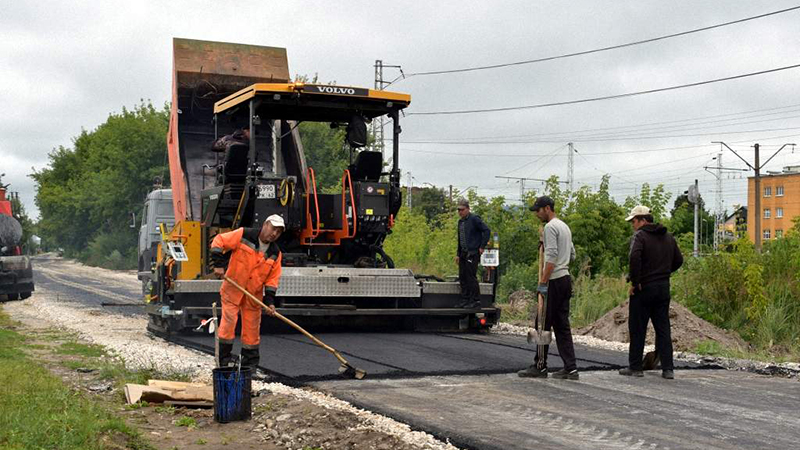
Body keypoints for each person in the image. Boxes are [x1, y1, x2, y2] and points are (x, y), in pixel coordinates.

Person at [210, 214, 284, 371]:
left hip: (253, 297)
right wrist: (218, 264)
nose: (274, 234)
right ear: (265, 224)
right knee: (228, 325)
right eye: (273, 229)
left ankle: (249, 366)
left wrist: (269, 302)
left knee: (251, 331)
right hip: (233, 290)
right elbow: (219, 241)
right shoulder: (244, 235)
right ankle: (224, 362)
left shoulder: (275, 253)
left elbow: (272, 281)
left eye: (278, 232)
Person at [619, 205, 683, 380]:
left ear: (643, 220)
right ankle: (668, 368)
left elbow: (634, 258)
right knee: (663, 328)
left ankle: (635, 367)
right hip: (663, 288)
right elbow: (679, 260)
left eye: (634, 221)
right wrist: (664, 272)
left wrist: (635, 281)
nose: (632, 224)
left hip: (644, 288)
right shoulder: (668, 237)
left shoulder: (640, 236)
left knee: (638, 327)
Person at [518, 196, 578, 380]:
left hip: (553, 281)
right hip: (565, 278)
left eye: (538, 210)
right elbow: (572, 255)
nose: (537, 214)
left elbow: (550, 259)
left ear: (547, 208)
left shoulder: (550, 227)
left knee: (542, 323)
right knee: (562, 325)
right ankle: (571, 367)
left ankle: (540, 365)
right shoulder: (564, 227)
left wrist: (543, 283)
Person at [454, 198, 491, 308]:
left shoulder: (474, 219)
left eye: (462, 210)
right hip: (463, 253)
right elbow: (460, 239)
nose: (460, 212)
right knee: (462, 276)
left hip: (473, 252)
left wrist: (482, 246)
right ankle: (465, 299)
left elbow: (486, 230)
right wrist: (458, 254)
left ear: (468, 209)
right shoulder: (460, 222)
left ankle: (475, 300)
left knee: (471, 276)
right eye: (458, 210)